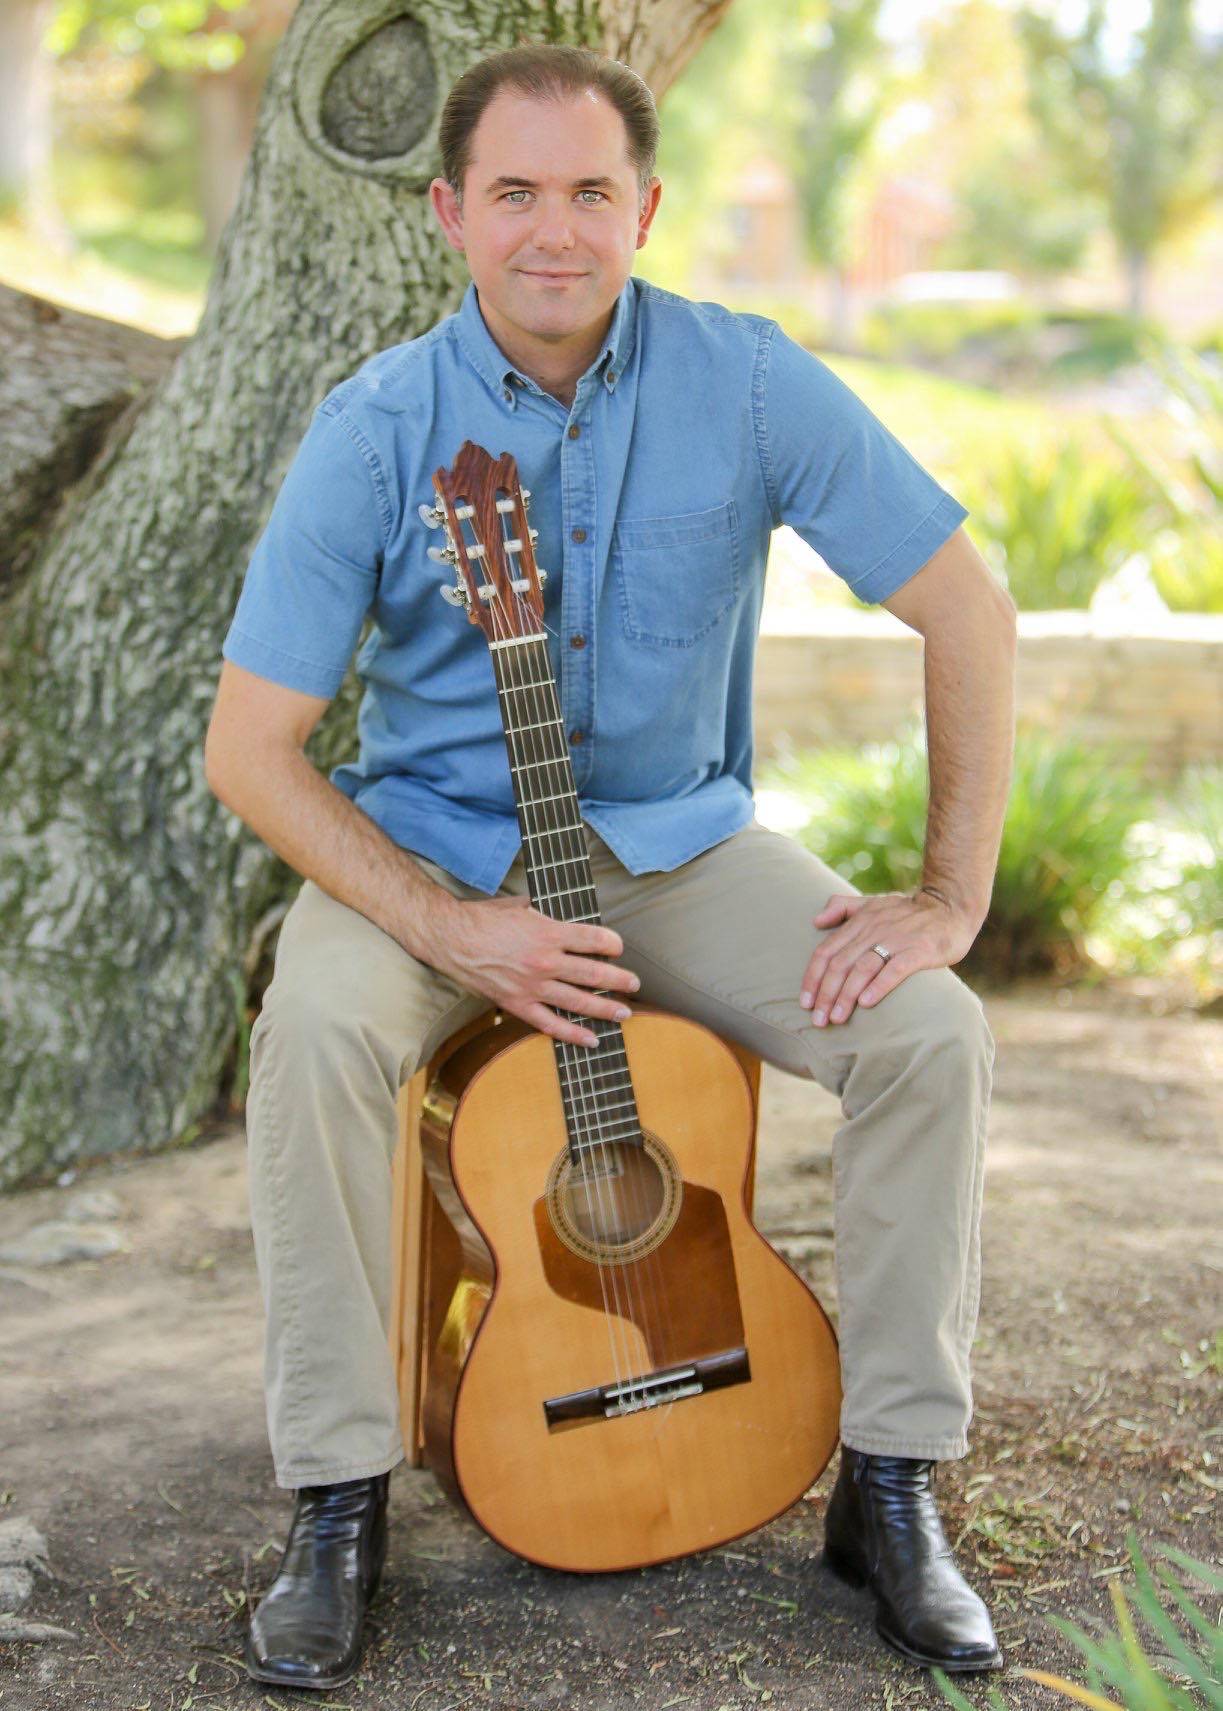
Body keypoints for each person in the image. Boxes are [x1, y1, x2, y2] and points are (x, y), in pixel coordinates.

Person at [204, 41, 1017, 1693]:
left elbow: (967, 610)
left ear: (647, 207)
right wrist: (451, 926)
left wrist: (950, 899)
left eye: (590, 192)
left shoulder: (754, 383)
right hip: (436, 864)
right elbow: (250, 751)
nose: (554, 231)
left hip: (674, 846)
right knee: (316, 1034)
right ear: (450, 213)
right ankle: (339, 1496)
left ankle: (890, 1480)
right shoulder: (376, 430)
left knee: (934, 1035)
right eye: (515, 193)